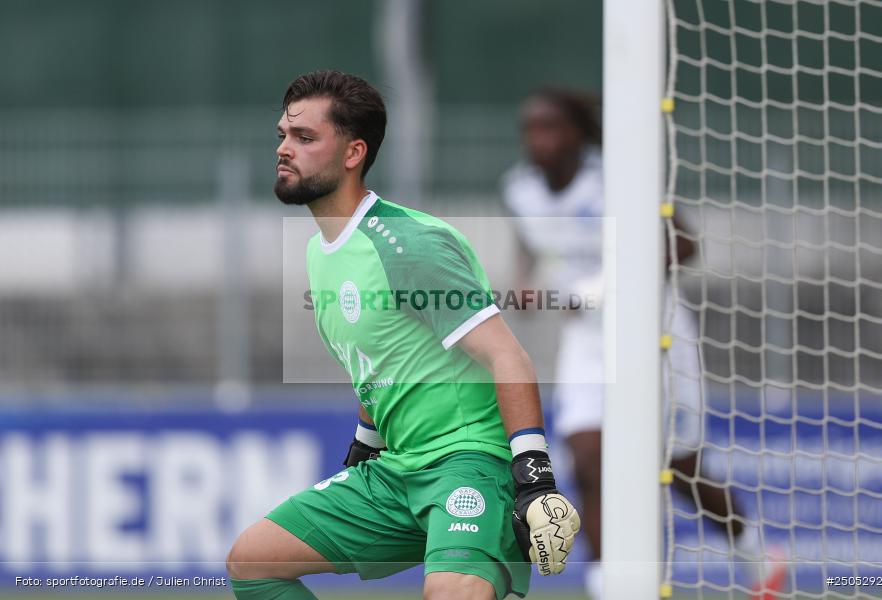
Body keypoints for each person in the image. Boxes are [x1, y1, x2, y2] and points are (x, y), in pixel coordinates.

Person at [226, 70, 580, 600]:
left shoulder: (409, 244)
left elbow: (509, 357)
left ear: (353, 153)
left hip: (469, 463)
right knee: (253, 562)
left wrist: (535, 479)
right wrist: (364, 448)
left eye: (304, 137)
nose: (284, 148)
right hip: (396, 469)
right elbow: (381, 363)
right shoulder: (319, 253)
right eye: (282, 135)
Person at [500, 88, 785, 599]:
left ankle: (756, 556)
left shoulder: (618, 178)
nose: (537, 139)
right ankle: (607, 585)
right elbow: (530, 250)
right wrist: (526, 288)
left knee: (679, 469)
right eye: (529, 129)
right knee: (587, 461)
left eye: (550, 127)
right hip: (586, 341)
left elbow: (685, 246)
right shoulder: (519, 189)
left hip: (655, 333)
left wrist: (604, 287)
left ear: (578, 132)